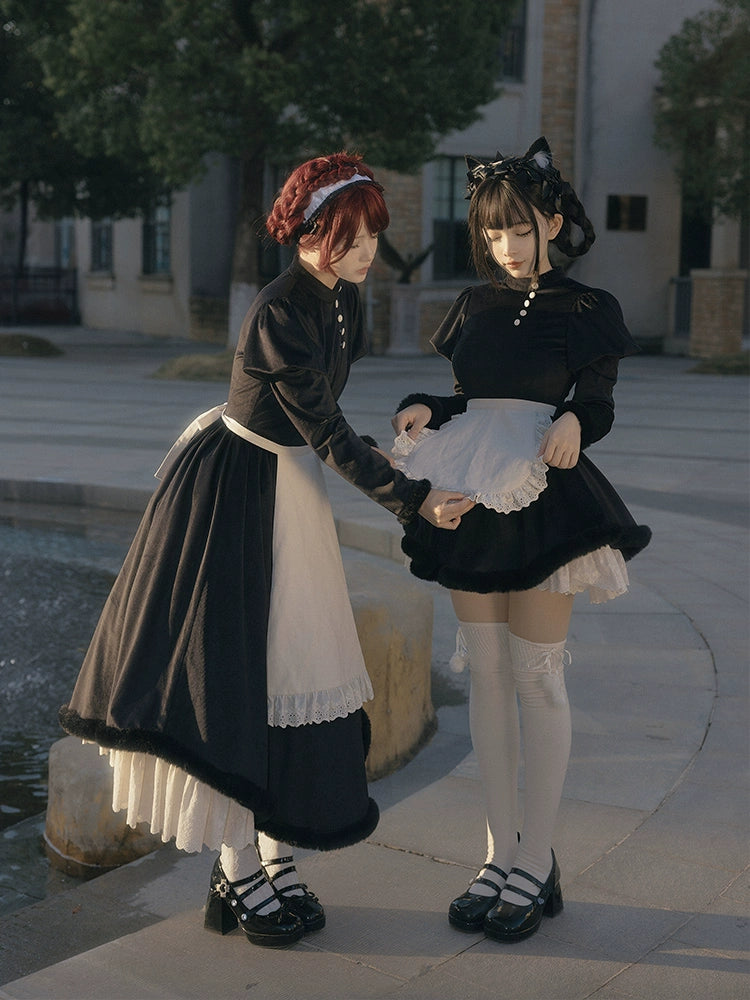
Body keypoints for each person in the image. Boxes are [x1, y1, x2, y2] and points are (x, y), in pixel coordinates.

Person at [59, 152, 472, 948]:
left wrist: (390, 455)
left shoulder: (341, 297)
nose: (367, 253)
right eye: (352, 237)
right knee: (237, 681)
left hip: (289, 488)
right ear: (311, 231)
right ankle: (238, 868)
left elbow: (327, 426)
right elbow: (323, 430)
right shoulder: (279, 309)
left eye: (372, 237)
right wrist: (413, 499)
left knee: (294, 670)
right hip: (236, 496)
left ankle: (273, 857)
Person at [391, 137, 651, 944]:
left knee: (537, 680)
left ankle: (537, 860)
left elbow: (597, 401)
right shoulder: (473, 305)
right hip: (473, 491)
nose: (504, 244)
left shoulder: (587, 308)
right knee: (489, 679)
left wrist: (575, 420)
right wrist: (426, 407)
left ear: (552, 222)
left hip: (542, 495)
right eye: (492, 230)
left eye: (518, 227)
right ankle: (497, 855)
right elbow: (470, 396)